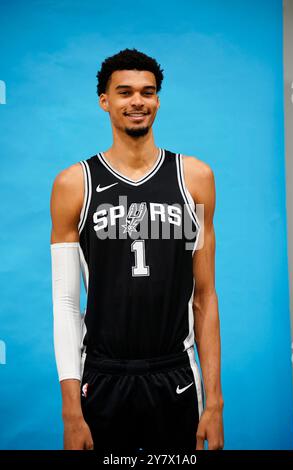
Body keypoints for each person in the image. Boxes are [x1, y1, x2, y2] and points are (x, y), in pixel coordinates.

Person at [50, 48, 224, 452]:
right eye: (125, 92)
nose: (137, 102)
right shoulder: (74, 184)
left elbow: (204, 298)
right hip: (102, 376)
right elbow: (64, 303)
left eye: (147, 92)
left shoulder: (194, 179)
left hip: (175, 375)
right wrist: (71, 411)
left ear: (158, 100)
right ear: (104, 100)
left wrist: (214, 401)